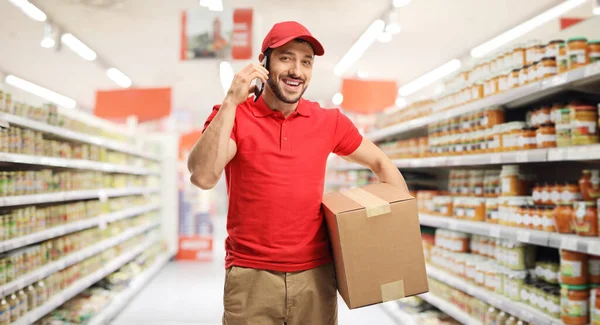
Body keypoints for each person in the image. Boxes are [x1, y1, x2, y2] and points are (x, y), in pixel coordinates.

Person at [188, 21, 409, 325]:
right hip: (252, 277)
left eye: (306, 62)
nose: (297, 70)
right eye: (286, 58)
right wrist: (230, 102)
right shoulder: (235, 116)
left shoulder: (328, 121)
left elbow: (382, 164)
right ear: (263, 62)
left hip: (315, 278)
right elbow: (203, 176)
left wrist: (401, 229)